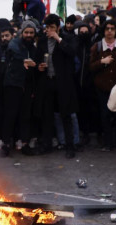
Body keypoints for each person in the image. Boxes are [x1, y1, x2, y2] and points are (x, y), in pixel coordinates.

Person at [35, 14, 79, 158]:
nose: (49, 30)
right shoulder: (42, 42)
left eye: (52, 28)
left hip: (63, 83)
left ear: (58, 28)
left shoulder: (66, 39)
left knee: (65, 115)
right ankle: (47, 144)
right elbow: (37, 60)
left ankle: (70, 146)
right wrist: (39, 67)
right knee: (47, 115)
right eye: (47, 28)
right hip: (47, 81)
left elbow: (72, 53)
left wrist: (58, 39)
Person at [90, 20, 116, 152]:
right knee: (105, 115)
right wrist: (102, 61)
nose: (110, 31)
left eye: (112, 29)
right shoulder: (97, 46)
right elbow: (90, 67)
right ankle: (107, 143)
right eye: (107, 28)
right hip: (103, 87)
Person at [1, 20, 38, 157]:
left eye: (31, 32)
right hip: (13, 85)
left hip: (27, 86)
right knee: (10, 115)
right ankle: (6, 143)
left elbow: (35, 63)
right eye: (26, 32)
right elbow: (15, 52)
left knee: (25, 116)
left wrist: (37, 66)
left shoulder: (33, 48)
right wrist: (25, 60)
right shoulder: (15, 43)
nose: (28, 35)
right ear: (22, 33)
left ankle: (25, 143)